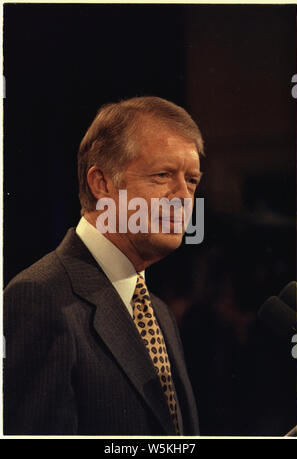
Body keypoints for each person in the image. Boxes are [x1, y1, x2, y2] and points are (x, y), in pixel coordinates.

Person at [4, 96, 204, 436]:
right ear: (103, 184)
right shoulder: (39, 299)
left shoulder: (159, 313)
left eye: (192, 180)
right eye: (163, 175)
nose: (184, 197)